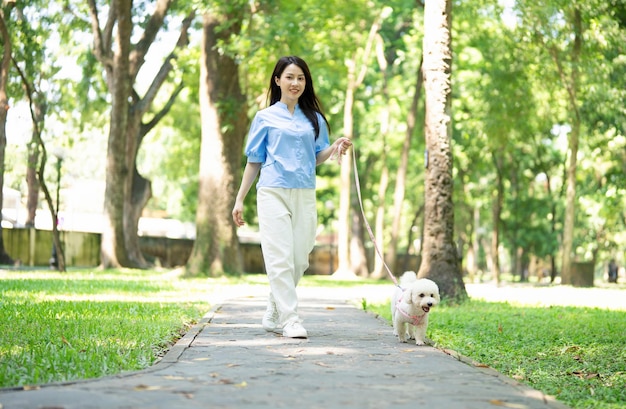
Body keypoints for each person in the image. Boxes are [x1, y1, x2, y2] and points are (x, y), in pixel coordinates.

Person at [232, 56, 352, 338]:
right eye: (289, 77)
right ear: (277, 80)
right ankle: (290, 319)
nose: (295, 82)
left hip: (304, 192)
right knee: (279, 258)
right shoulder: (264, 118)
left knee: (300, 258)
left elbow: (316, 157)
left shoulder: (315, 119)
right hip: (272, 190)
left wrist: (334, 147)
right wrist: (239, 199)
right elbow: (254, 160)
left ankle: (275, 304)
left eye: (300, 78)